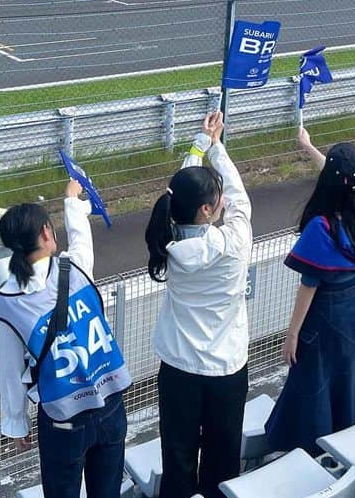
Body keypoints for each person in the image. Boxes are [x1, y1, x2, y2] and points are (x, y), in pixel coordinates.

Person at [0, 181, 132, 498]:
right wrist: (72, 200)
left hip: (61, 418)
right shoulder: (77, 267)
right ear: (46, 234)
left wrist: (17, 422)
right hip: (110, 402)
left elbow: (12, 371)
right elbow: (82, 235)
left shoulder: (9, 301)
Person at [265, 131, 355, 454]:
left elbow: (309, 286)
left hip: (323, 315)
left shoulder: (321, 227)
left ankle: (312, 450)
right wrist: (309, 148)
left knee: (314, 381)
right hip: (354, 310)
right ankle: (346, 441)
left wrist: (292, 334)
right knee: (347, 376)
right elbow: (340, 177)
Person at [146, 112, 252, 498]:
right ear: (207, 210)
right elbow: (240, 197)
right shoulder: (233, 241)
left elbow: (180, 191)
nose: (222, 197)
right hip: (225, 368)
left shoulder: (169, 240)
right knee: (223, 459)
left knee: (177, 455)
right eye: (214, 196)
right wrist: (217, 147)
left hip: (178, 368)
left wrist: (199, 145)